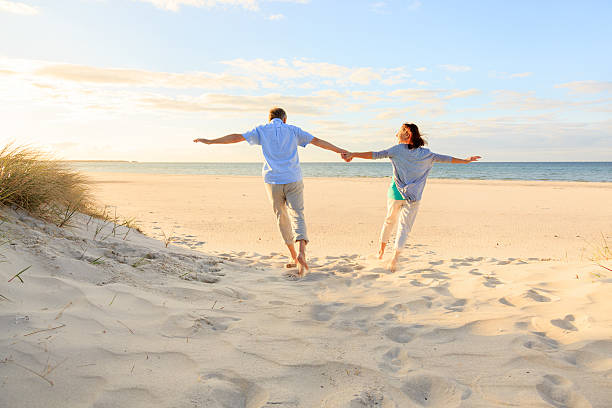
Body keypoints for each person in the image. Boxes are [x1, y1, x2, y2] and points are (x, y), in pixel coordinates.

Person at [194, 107, 347, 277]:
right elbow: (317, 141)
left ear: (269, 119)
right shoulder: (293, 130)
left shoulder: (262, 130)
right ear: (285, 119)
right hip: (293, 178)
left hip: (273, 180)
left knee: (281, 217)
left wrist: (210, 141)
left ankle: (294, 256)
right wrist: (341, 151)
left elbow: (237, 137)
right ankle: (302, 252)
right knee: (298, 215)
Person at [341, 123, 481, 272]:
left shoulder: (397, 150)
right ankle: (394, 259)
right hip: (414, 196)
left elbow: (375, 154)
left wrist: (353, 154)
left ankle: (380, 253)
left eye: (399, 132)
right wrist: (465, 161)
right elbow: (446, 159)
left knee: (389, 222)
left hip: (395, 193)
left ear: (406, 135)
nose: (396, 135)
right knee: (404, 227)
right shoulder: (427, 154)